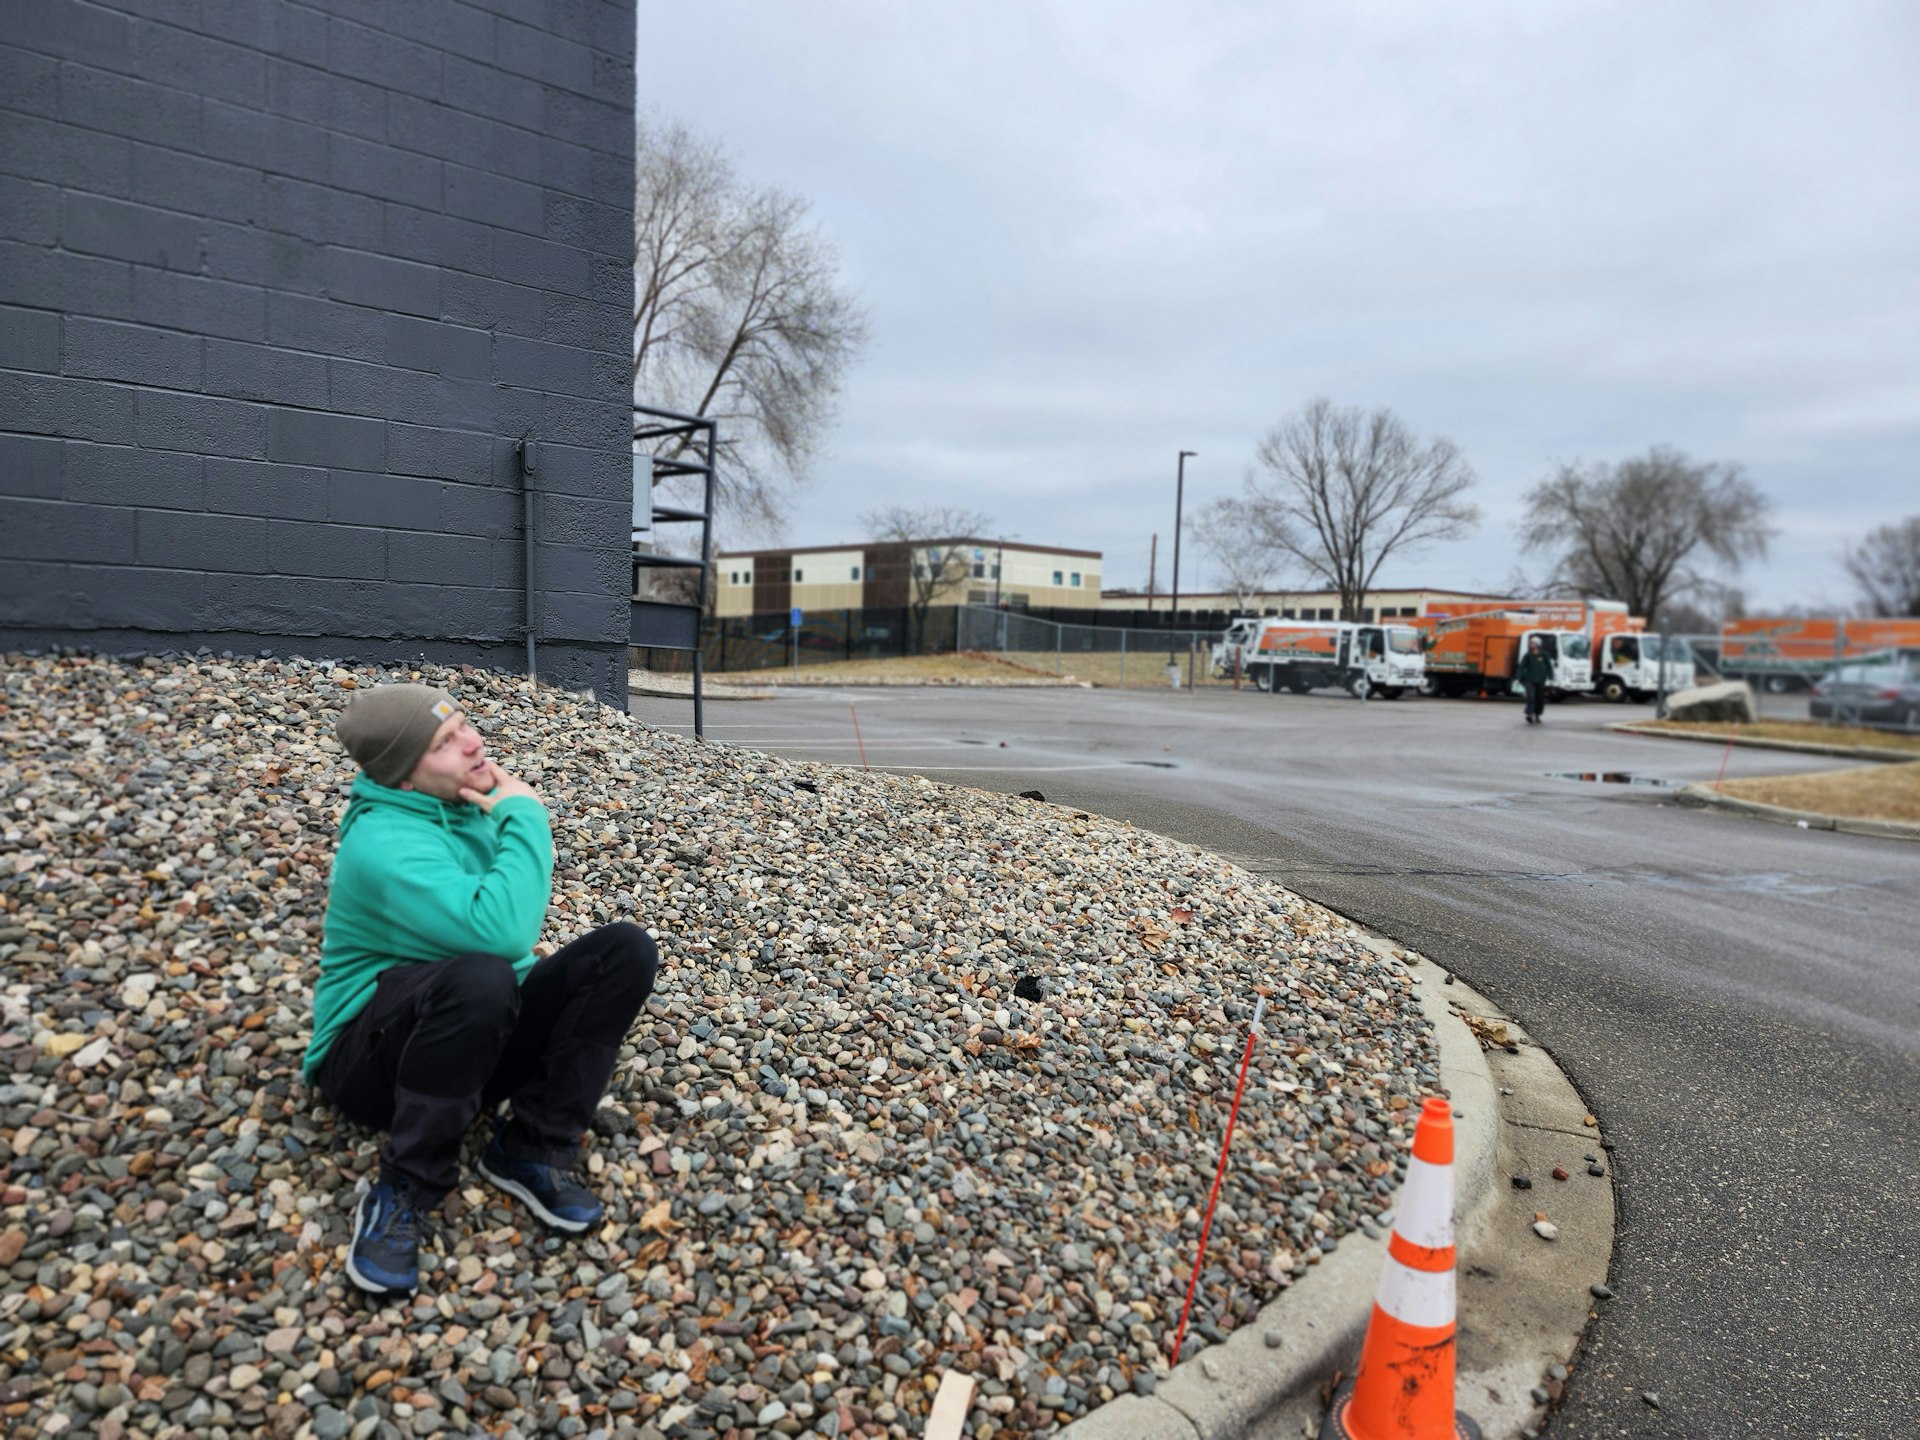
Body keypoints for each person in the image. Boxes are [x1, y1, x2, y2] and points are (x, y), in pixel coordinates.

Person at [302, 683, 660, 1295]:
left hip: (462, 1036)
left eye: (464, 724)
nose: (473, 743)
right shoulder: (382, 845)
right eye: (444, 743)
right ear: (404, 778)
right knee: (483, 974)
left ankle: (530, 1148)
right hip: (367, 1068)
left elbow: (510, 942)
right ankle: (408, 1185)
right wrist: (527, 815)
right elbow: (502, 934)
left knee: (624, 950)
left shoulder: (468, 804)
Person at [1516, 637, 1554, 724]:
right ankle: (1529, 714)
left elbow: (1549, 667)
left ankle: (1537, 715)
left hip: (1541, 680)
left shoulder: (1544, 655)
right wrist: (1518, 678)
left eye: (1533, 643)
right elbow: (1521, 667)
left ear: (1538, 645)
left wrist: (1551, 677)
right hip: (1530, 680)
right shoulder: (1528, 655)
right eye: (1531, 643)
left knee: (1539, 699)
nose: (1531, 645)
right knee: (1531, 697)